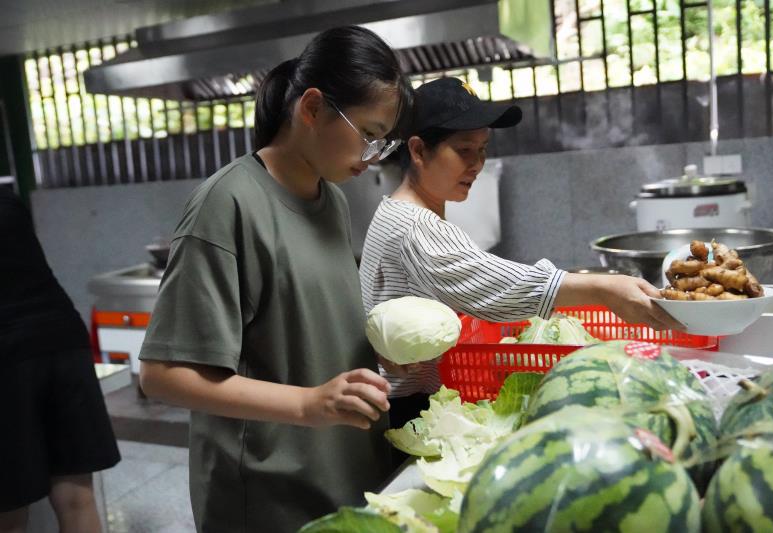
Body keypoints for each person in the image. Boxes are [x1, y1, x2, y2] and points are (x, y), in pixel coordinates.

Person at [137, 26, 413, 533]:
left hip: (342, 476)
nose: (373, 155)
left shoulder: (332, 200)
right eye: (368, 134)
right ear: (313, 108)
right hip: (271, 501)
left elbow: (301, 323)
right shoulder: (227, 203)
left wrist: (377, 347)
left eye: (383, 140)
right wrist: (307, 404)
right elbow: (162, 375)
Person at [360, 77, 684, 433]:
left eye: (483, 149)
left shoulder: (397, 210)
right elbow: (497, 286)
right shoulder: (415, 225)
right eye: (464, 150)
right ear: (419, 150)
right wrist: (602, 289)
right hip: (405, 406)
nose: (477, 164)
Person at [0, 188, 120, 533]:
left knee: (9, 512)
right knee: (76, 499)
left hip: (8, 358)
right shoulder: (9, 203)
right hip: (63, 341)